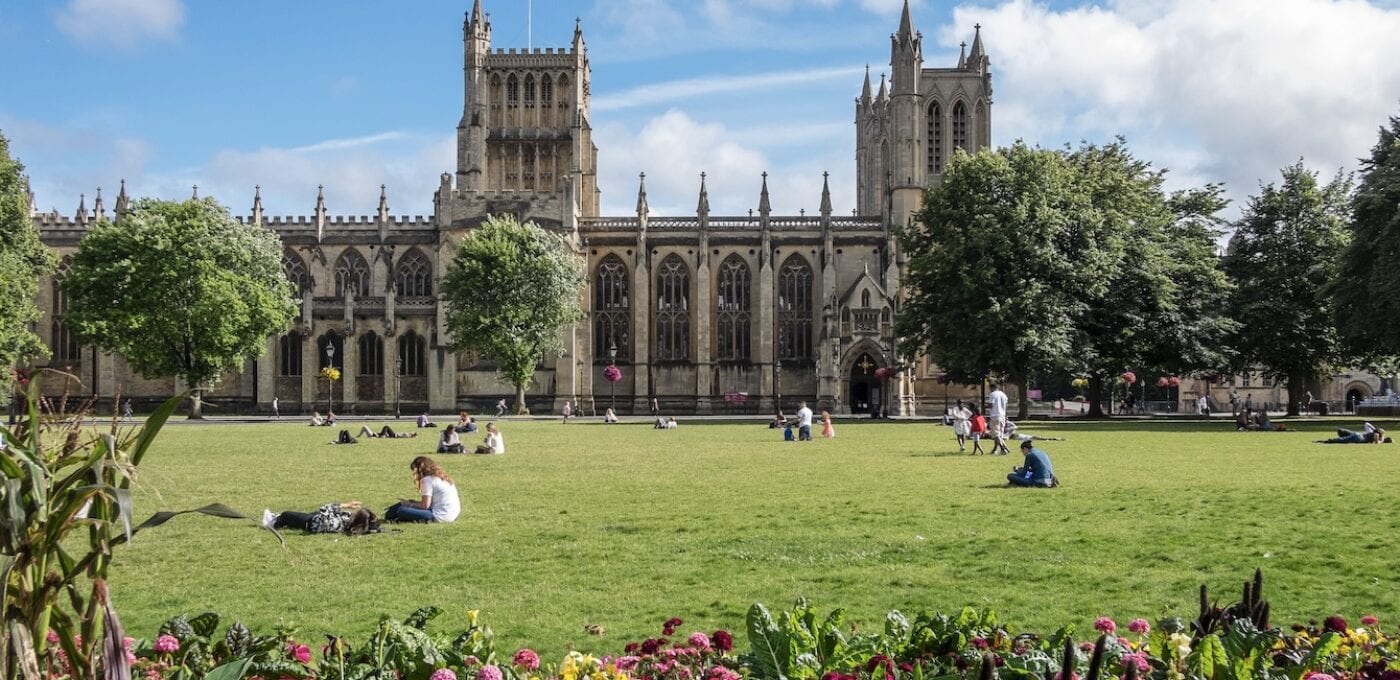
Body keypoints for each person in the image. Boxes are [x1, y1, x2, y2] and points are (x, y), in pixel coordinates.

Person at [384, 456, 461, 523]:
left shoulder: (428, 480)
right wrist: (411, 503)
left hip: (439, 516)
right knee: (408, 503)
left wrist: (409, 505)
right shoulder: (442, 478)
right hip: (451, 515)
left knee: (401, 510)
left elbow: (425, 506)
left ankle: (393, 515)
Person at [262, 501, 379, 535]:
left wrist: (344, 505)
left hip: (312, 522)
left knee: (286, 514)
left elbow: (324, 509)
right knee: (294, 515)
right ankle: (275, 517)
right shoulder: (349, 522)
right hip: (315, 518)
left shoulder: (338, 523)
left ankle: (272, 523)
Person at [987, 383, 1009, 454]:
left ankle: (1003, 449)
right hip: (1002, 416)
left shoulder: (993, 394)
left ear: (992, 388)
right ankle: (995, 449)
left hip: (995, 415)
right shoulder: (1003, 395)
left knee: (995, 434)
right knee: (999, 434)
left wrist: (985, 406)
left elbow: (991, 405)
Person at [1317, 423, 1390, 444]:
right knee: (1342, 440)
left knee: (1342, 440)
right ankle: (1328, 441)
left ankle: (1327, 441)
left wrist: (1374, 429)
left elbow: (1367, 424)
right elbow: (1377, 442)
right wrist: (1382, 439)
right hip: (1359, 438)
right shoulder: (1375, 435)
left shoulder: (1371, 432)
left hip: (1358, 435)